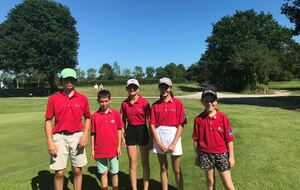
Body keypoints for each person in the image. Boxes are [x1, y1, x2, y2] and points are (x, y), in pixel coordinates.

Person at [44, 68, 91, 190]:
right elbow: (48, 121)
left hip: (77, 137)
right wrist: (50, 142)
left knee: (77, 170)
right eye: (66, 79)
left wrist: (85, 135)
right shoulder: (53, 99)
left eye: (72, 79)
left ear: (75, 80)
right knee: (59, 173)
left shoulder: (83, 98)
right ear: (61, 80)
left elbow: (87, 118)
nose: (69, 81)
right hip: (59, 137)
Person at [192, 86, 235, 190]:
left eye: (212, 100)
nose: (209, 103)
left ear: (216, 101)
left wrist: (231, 156)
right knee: (210, 184)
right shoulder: (198, 119)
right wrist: (197, 156)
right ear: (202, 101)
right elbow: (196, 140)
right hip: (205, 155)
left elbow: (229, 139)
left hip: (221, 154)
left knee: (228, 185)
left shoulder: (223, 117)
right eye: (206, 100)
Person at [149, 77, 186, 190]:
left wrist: (174, 143)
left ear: (170, 88)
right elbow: (152, 125)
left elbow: (181, 124)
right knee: (163, 168)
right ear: (159, 88)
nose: (164, 89)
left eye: (166, 86)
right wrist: (158, 143)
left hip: (174, 136)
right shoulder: (155, 105)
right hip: (160, 136)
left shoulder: (178, 103)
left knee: (177, 169)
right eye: (161, 86)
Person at [120, 79, 150, 190]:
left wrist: (151, 137)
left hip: (142, 130)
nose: (132, 89)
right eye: (130, 87)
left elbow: (149, 120)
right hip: (131, 131)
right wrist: (122, 136)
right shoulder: (124, 103)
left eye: (134, 87)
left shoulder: (145, 102)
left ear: (138, 88)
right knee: (132, 162)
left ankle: (145, 188)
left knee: (145, 162)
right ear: (127, 89)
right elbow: (122, 122)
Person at [91, 90, 124, 190]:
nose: (104, 103)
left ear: (110, 100)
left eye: (106, 101)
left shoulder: (116, 114)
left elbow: (119, 130)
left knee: (114, 173)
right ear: (98, 101)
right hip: (99, 150)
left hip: (113, 149)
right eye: (101, 101)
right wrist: (92, 149)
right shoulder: (94, 116)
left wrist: (118, 147)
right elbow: (93, 134)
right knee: (103, 173)